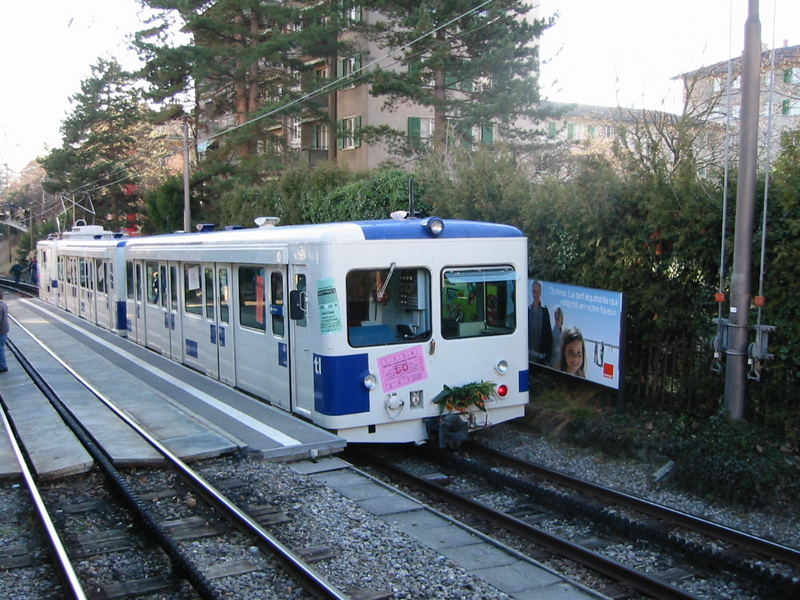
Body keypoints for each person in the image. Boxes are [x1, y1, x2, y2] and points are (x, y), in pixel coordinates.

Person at [528, 280, 553, 364]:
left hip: (540, 356)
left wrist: (548, 357)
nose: (535, 294)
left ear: (541, 292)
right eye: (533, 291)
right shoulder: (527, 309)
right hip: (527, 354)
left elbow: (548, 334)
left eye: (537, 291)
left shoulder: (545, 311)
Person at [0, 289, 8, 373]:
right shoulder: (3, 304)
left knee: (0, 349)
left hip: (0, 331)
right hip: (4, 330)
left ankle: (2, 366)